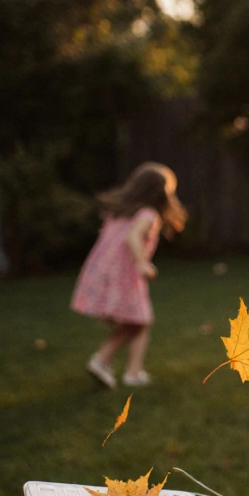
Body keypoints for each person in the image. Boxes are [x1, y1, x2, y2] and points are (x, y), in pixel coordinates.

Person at [71, 162, 187, 389]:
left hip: (106, 274)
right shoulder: (148, 215)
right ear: (160, 192)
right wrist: (143, 263)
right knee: (140, 321)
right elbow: (132, 237)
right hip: (125, 275)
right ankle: (104, 360)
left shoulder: (120, 212)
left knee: (138, 322)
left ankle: (132, 372)